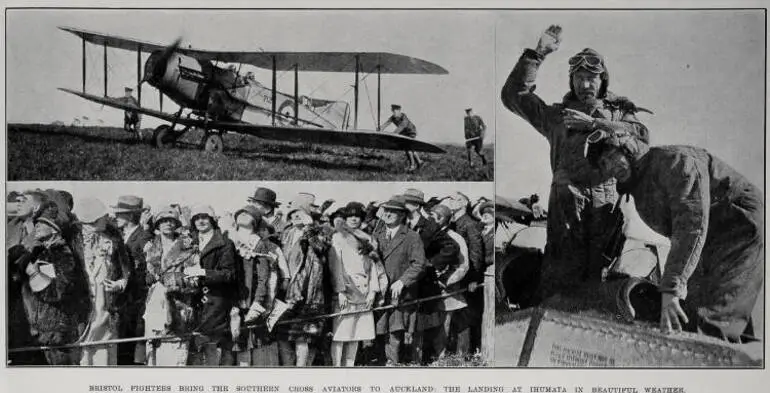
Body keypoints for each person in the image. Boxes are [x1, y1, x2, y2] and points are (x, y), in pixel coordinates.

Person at [500, 24, 651, 303]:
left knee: (598, 278)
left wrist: (600, 124)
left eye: (592, 78)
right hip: (565, 204)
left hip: (605, 206)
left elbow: (642, 140)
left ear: (603, 80)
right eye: (578, 78)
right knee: (559, 276)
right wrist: (537, 54)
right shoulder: (556, 117)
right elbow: (513, 97)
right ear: (571, 81)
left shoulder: (622, 115)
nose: (584, 85)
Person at [585, 131, 764, 343]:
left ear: (627, 148)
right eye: (603, 163)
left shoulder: (675, 162)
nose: (610, 166)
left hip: (738, 226)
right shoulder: (638, 184)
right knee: (690, 311)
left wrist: (671, 289)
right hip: (706, 239)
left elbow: (691, 225)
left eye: (612, 156)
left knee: (714, 320)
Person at [15, 201, 85, 365]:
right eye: (36, 223)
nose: (37, 226)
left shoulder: (63, 255)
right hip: (43, 331)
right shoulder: (41, 252)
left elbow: (56, 293)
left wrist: (34, 274)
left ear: (54, 230)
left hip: (56, 333)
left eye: (42, 223)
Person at [71, 197, 132, 366]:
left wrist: (121, 283)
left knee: (105, 348)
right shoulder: (74, 240)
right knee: (83, 349)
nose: (107, 218)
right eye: (103, 216)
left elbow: (125, 268)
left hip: (107, 302)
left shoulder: (113, 238)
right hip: (84, 301)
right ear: (93, 218)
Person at [403, 189, 458, 363]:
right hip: (403, 280)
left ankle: (417, 361)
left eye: (407, 202)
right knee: (402, 322)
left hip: (423, 282)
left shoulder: (429, 225)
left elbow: (451, 247)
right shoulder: (401, 223)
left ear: (417, 206)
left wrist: (431, 263)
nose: (403, 205)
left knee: (419, 324)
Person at [372, 195, 427, 365]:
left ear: (402, 215)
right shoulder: (376, 235)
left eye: (393, 212)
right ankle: (379, 362)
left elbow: (419, 264)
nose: (387, 214)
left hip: (400, 293)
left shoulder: (411, 236)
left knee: (395, 331)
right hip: (380, 293)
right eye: (386, 210)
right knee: (378, 330)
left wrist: (402, 281)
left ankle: (392, 365)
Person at [143, 206, 199, 366]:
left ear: (177, 224)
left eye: (171, 221)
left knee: (175, 353)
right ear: (157, 225)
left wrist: (174, 283)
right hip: (155, 303)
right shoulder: (151, 247)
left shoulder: (188, 248)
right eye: (163, 221)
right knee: (153, 350)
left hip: (178, 302)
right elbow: (147, 276)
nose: (167, 224)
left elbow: (195, 279)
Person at [328, 202, 381, 366]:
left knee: (356, 333)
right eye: (350, 216)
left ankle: (349, 366)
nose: (353, 219)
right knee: (340, 333)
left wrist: (373, 291)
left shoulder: (368, 238)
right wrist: (340, 291)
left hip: (363, 292)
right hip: (347, 290)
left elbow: (373, 266)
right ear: (344, 218)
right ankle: (337, 367)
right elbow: (335, 265)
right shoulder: (338, 236)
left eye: (357, 216)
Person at [229, 205, 283, 366]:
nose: (244, 215)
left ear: (255, 221)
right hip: (229, 295)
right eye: (241, 212)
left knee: (248, 342)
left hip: (249, 298)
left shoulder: (258, 244)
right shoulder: (228, 237)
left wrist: (258, 301)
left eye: (248, 213)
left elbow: (264, 277)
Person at [185, 205, 237, 366]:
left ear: (212, 220)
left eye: (205, 217)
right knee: (191, 349)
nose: (200, 221)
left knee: (210, 347)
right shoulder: (188, 242)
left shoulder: (224, 243)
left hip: (214, 301)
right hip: (189, 301)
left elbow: (229, 274)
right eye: (197, 218)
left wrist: (202, 273)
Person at [280, 199, 330, 366]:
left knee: (303, 339)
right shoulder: (287, 233)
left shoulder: (317, 233)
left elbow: (321, 249)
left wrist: (309, 228)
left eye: (299, 213)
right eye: (293, 214)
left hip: (308, 294)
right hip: (287, 292)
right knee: (285, 336)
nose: (296, 217)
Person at [111, 195, 154, 365]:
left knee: (129, 342)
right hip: (121, 298)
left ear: (129, 216)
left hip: (135, 299)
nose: (115, 217)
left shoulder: (144, 237)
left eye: (119, 214)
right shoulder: (120, 236)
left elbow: (146, 270)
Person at [429, 204, 470, 357]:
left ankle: (441, 355)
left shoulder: (456, 238)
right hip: (429, 287)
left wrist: (446, 281)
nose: (429, 220)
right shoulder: (428, 235)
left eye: (433, 217)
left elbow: (463, 266)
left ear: (442, 219)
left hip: (447, 289)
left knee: (444, 323)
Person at [446, 192, 484, 353]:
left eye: (453, 199)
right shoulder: (454, 223)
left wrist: (473, 279)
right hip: (456, 276)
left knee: (464, 317)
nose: (450, 202)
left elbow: (476, 253)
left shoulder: (469, 224)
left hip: (468, 278)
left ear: (463, 203)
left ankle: (463, 354)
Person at [379, 104, 424, 172]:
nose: (394, 113)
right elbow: (387, 123)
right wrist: (380, 128)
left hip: (411, 132)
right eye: (393, 111)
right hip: (404, 133)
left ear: (399, 111)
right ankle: (419, 162)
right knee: (410, 148)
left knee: (408, 148)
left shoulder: (404, 117)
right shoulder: (393, 117)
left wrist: (393, 134)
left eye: (395, 111)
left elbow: (401, 127)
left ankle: (412, 166)